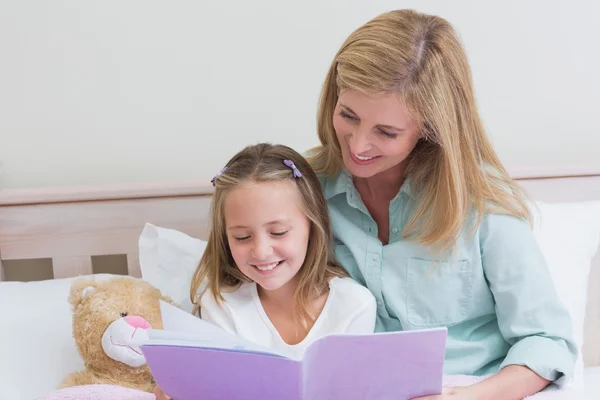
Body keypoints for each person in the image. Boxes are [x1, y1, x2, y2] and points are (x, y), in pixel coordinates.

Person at [305, 8, 578, 400]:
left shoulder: (482, 203)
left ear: (430, 128)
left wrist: (467, 398)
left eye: (386, 131)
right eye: (348, 115)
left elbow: (547, 340)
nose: (358, 144)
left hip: (468, 386)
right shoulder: (303, 189)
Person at [153, 143, 377, 400]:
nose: (260, 251)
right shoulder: (222, 306)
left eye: (278, 232)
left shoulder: (353, 305)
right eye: (242, 236)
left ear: (312, 226)